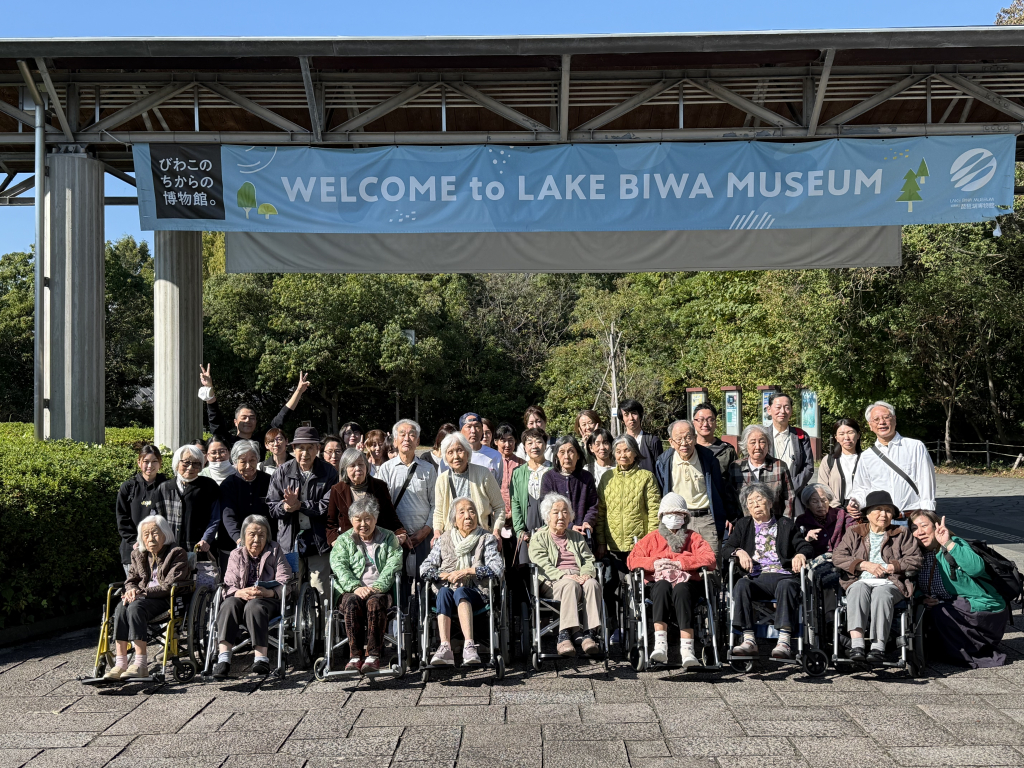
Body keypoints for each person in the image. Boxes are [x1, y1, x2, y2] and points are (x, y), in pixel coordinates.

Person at [721, 483, 813, 660]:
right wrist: (739, 552)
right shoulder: (743, 524)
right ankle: (748, 640)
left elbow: (805, 546)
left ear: (770, 503)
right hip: (757, 577)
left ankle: (784, 641)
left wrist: (800, 554)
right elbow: (727, 548)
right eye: (750, 502)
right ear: (747, 507)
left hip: (783, 575)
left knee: (787, 586)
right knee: (741, 584)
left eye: (759, 499)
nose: (755, 504)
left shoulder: (786, 524)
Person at [832, 490, 922, 664]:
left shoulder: (901, 533)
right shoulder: (854, 532)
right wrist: (864, 565)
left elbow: (916, 559)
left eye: (888, 510)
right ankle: (857, 645)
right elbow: (838, 556)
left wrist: (892, 566)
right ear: (868, 513)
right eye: (879, 509)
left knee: (881, 594)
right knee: (857, 588)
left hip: (891, 582)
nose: (884, 514)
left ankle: (877, 647)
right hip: (860, 580)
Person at [627, 493, 717, 668]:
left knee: (682, 589)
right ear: (662, 516)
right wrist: (655, 563)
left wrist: (681, 562)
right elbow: (632, 561)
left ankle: (687, 649)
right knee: (661, 586)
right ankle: (660, 645)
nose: (674, 517)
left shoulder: (694, 537)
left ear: (685, 517)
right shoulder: (651, 538)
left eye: (679, 514)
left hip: (688, 583)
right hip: (658, 583)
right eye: (669, 514)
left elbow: (710, 559)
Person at [909, 511, 1008, 669]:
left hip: (982, 606)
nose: (919, 531)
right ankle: (949, 650)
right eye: (914, 528)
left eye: (924, 525)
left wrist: (948, 543)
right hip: (951, 604)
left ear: (935, 526)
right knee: (923, 609)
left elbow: (976, 569)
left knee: (940, 610)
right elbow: (913, 584)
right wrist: (923, 597)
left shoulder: (955, 543)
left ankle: (969, 652)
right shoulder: (919, 554)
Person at [421, 497, 505, 667]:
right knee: (445, 591)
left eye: (471, 511)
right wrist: (445, 575)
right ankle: (445, 647)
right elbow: (424, 568)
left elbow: (497, 568)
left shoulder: (486, 538)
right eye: (462, 512)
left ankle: (469, 646)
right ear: (454, 519)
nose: (468, 516)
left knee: (460, 591)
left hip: (477, 593)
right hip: (447, 592)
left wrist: (466, 571)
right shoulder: (443, 539)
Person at [103, 515, 188, 680]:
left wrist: (141, 593)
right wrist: (131, 590)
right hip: (141, 599)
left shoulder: (177, 553)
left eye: (155, 533)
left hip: (165, 600)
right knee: (121, 607)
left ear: (165, 534)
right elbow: (131, 580)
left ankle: (141, 665)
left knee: (135, 607)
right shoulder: (138, 554)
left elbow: (169, 585)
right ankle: (120, 664)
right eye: (146, 535)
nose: (150, 539)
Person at [266, 426, 340, 612]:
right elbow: (271, 507)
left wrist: (301, 505)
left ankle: (323, 634)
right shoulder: (282, 472)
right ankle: (291, 634)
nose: (305, 453)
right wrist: (285, 507)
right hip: (289, 542)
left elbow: (329, 506)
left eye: (309, 448)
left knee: (321, 589)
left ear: (318, 449)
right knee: (290, 588)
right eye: (300, 448)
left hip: (318, 540)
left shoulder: (329, 472)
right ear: (293, 449)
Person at [596, 434, 661, 641]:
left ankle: (639, 627)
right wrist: (600, 541)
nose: (622, 455)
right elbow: (600, 512)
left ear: (635, 453)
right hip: (612, 545)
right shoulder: (607, 478)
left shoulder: (646, 477)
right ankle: (614, 627)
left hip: (638, 545)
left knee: (637, 589)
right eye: (618, 451)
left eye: (627, 450)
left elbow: (654, 512)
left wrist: (649, 542)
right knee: (609, 586)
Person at [211, 514, 293, 679]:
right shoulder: (236, 554)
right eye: (252, 534)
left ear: (267, 536)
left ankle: (261, 658)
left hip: (268, 599)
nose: (257, 539)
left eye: (261, 535)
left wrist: (267, 592)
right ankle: (224, 659)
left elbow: (286, 579)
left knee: (254, 606)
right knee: (228, 604)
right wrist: (240, 592)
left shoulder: (275, 550)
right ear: (243, 536)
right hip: (241, 596)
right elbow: (229, 583)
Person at [331, 496, 404, 674]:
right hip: (352, 590)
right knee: (351, 602)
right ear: (351, 521)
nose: (363, 524)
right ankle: (355, 656)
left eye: (368, 519)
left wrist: (377, 587)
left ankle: (373, 656)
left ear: (375, 519)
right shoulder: (343, 540)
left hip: (380, 590)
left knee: (374, 603)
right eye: (358, 519)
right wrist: (356, 587)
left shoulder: (388, 537)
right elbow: (339, 566)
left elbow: (394, 563)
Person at [529, 493, 603, 657]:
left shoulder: (576, 536)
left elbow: (588, 558)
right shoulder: (539, 538)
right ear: (547, 516)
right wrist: (563, 575)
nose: (561, 516)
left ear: (570, 516)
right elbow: (541, 564)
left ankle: (589, 634)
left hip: (578, 577)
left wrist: (586, 574)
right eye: (555, 512)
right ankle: (563, 635)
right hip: (553, 581)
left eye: (565, 512)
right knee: (570, 584)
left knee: (593, 584)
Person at [653, 419, 730, 554]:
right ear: (671, 442)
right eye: (679, 439)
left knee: (711, 565)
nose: (684, 443)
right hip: (677, 520)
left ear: (695, 438)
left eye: (688, 437)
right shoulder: (663, 462)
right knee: (680, 566)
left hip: (705, 519)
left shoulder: (708, 459)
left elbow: (719, 491)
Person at [849, 401, 936, 517]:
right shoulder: (866, 456)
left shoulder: (915, 447)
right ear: (870, 425)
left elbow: (926, 481)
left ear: (894, 420)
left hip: (912, 517)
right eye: (876, 419)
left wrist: (928, 513)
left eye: (886, 417)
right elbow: (862, 487)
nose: (882, 422)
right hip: (882, 519)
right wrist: (856, 502)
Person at [198, 365, 309, 453]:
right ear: (235, 422)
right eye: (244, 417)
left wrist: (298, 391)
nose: (248, 421)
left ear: (256, 422)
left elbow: (282, 416)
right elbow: (215, 418)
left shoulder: (260, 440)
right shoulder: (226, 441)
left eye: (252, 418)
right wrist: (209, 388)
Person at [378, 419, 438, 573]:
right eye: (402, 434)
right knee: (398, 583)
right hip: (394, 537)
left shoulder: (428, 469)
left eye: (412, 435)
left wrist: (425, 530)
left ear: (417, 441)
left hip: (423, 537)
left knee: (425, 580)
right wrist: (397, 533)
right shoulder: (386, 469)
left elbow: (436, 504)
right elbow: (382, 505)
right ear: (395, 441)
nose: (407, 438)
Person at [432, 433, 505, 541]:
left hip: (481, 536)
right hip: (453, 540)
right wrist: (437, 533)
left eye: (460, 450)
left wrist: (496, 531)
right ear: (445, 457)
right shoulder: (442, 480)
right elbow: (439, 512)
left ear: (467, 452)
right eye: (450, 452)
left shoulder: (483, 474)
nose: (456, 456)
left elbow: (499, 506)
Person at [326, 448, 406, 545]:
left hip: (379, 544)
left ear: (366, 466)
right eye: (352, 465)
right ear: (344, 469)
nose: (357, 468)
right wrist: (335, 541)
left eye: (361, 464)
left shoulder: (379, 486)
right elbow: (331, 523)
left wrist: (400, 533)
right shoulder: (337, 490)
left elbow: (391, 515)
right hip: (350, 545)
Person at [152, 444, 220, 553]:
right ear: (177, 463)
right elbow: (154, 518)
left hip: (200, 549)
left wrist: (206, 539)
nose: (190, 467)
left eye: (196, 464)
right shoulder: (164, 488)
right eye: (186, 463)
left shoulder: (209, 486)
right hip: (169, 548)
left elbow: (215, 518)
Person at [217, 440, 272, 571]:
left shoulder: (269, 481)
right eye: (243, 461)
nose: (248, 465)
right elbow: (228, 516)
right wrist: (239, 540)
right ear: (235, 463)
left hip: (263, 543)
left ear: (258, 460)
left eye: (252, 460)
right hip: (233, 544)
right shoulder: (228, 484)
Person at [115, 444, 168, 578]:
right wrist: (135, 541)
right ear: (139, 463)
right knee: (135, 588)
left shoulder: (167, 486)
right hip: (133, 549)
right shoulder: (128, 487)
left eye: (154, 461)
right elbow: (122, 518)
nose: (150, 465)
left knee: (158, 589)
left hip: (161, 550)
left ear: (160, 463)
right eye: (146, 461)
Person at [727, 425, 796, 519]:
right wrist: (735, 522)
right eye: (752, 442)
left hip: (775, 524)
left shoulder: (780, 466)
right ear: (745, 445)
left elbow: (789, 498)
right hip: (745, 526)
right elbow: (729, 499)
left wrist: (784, 524)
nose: (758, 447)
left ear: (768, 444)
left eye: (762, 442)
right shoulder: (736, 467)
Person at [540, 435, 599, 535]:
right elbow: (547, 508)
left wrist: (587, 522)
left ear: (578, 455)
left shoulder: (586, 477)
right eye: (562, 452)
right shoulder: (548, 478)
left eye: (571, 451)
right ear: (556, 456)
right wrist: (570, 526)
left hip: (582, 532)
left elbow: (593, 505)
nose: (566, 456)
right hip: (557, 534)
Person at [767, 392, 814, 509]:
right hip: (768, 494)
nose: (782, 411)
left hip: (796, 493)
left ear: (791, 411)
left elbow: (808, 466)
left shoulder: (800, 436)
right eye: (778, 407)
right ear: (769, 410)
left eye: (787, 407)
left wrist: (792, 486)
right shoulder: (762, 436)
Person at [510, 427, 553, 543]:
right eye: (529, 443)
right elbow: (515, 502)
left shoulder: (554, 470)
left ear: (545, 445)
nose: (534, 446)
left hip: (551, 528)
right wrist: (519, 530)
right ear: (524, 448)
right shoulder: (518, 472)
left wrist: (549, 527)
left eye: (539, 441)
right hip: (526, 530)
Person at [795, 483, 858, 559]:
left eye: (824, 500)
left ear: (829, 500)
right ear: (807, 504)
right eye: (815, 502)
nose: (820, 505)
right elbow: (797, 544)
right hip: (816, 562)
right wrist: (806, 540)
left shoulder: (840, 514)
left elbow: (855, 529)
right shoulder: (802, 521)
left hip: (841, 559)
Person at [816, 418, 863, 513]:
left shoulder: (867, 459)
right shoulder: (829, 460)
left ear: (858, 435)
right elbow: (823, 488)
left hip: (862, 512)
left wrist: (861, 506)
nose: (846, 437)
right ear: (836, 437)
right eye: (841, 434)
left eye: (850, 432)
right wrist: (840, 508)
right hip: (835, 513)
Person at [692, 402, 738, 479]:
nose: (705, 424)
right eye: (701, 420)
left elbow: (734, 480)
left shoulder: (727, 450)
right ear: (694, 423)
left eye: (710, 420)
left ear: (715, 423)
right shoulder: (689, 448)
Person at [618, 399, 664, 473]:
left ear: (640, 416)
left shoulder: (652, 441)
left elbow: (661, 471)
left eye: (634, 413)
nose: (631, 418)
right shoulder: (619, 443)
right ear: (622, 419)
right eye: (626, 414)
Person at [493, 423, 525, 524]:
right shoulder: (491, 463)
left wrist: (514, 512)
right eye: (503, 440)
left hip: (518, 516)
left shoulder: (522, 464)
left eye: (510, 440)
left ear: (515, 441)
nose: (507, 444)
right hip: (494, 515)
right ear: (496, 442)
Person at [460, 412, 502, 478]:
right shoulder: (454, 456)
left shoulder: (495, 456)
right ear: (460, 431)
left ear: (482, 430)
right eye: (469, 426)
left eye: (477, 426)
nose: (473, 431)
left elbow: (498, 483)